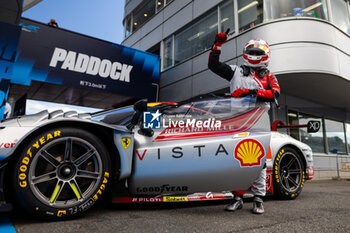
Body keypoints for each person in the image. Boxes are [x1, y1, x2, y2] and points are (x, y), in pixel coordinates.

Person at [208, 32, 280, 214]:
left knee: (260, 161)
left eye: (258, 52)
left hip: (259, 123)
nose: (254, 55)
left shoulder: (269, 76)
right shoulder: (235, 71)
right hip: (237, 123)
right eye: (252, 51)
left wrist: (250, 92)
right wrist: (217, 44)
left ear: (265, 55)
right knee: (235, 160)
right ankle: (237, 197)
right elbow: (213, 65)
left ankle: (258, 198)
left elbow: (275, 95)